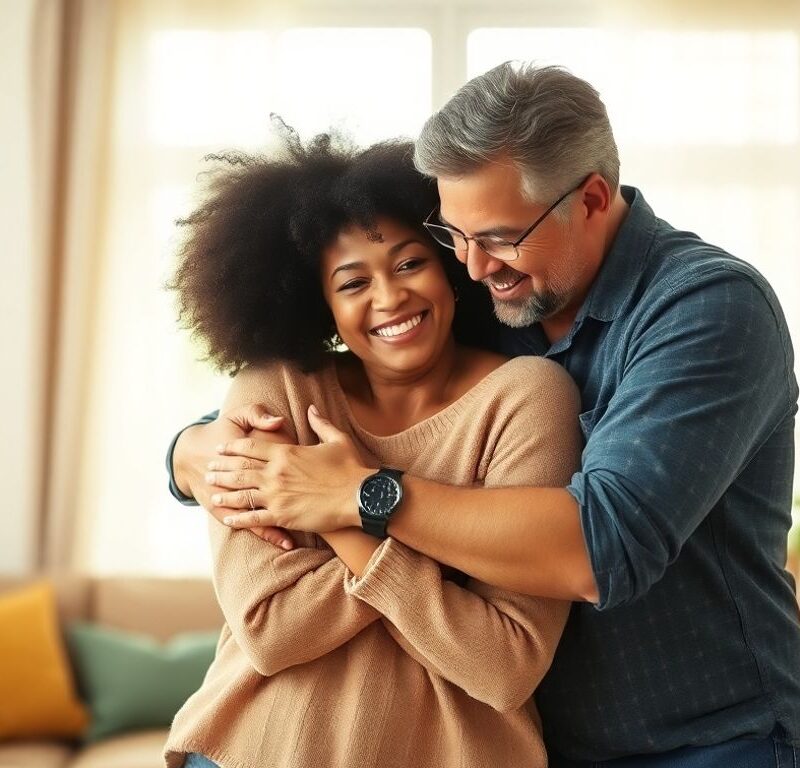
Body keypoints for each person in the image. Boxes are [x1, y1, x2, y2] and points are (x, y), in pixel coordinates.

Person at [169, 65, 800, 766]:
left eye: (498, 236)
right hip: (556, 740)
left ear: (592, 197)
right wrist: (192, 451)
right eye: (454, 236)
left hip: (706, 740)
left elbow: (599, 547)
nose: (472, 267)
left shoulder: (708, 310)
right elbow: (353, 397)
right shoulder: (510, 300)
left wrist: (355, 497)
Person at [162, 132, 582, 768]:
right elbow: (272, 630)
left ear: (451, 268)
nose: (390, 299)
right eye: (353, 282)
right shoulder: (275, 389)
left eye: (410, 263)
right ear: (321, 305)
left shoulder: (526, 399)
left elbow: (503, 663)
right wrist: (450, 552)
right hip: (250, 749)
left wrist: (341, 504)